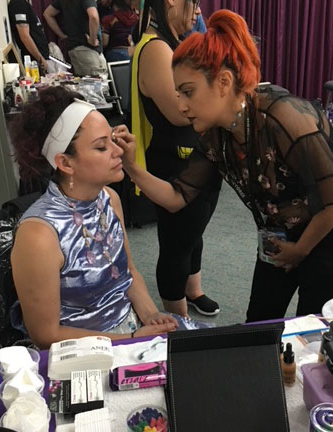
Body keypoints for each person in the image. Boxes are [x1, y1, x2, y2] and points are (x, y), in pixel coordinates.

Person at [121, 10, 333, 322]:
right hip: (282, 231)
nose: (181, 104)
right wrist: (133, 168)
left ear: (224, 82)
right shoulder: (215, 135)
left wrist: (301, 250)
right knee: (258, 324)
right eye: (178, 94)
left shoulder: (284, 117)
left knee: (312, 328)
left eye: (188, 92)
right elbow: (178, 196)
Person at [9, 86, 177, 349]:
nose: (118, 151)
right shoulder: (39, 235)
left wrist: (150, 316)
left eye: (113, 139)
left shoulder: (109, 199)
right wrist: (129, 341)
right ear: (65, 163)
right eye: (101, 147)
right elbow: (45, 334)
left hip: (131, 332)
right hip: (84, 353)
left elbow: (128, 273)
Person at [130, 0, 222, 317]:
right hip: (174, 161)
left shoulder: (172, 43)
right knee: (176, 243)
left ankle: (193, 290)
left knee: (193, 231)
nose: (198, 11)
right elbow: (181, 112)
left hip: (195, 154)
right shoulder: (156, 49)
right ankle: (179, 319)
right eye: (193, 2)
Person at [44, 0, 107, 77]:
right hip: (88, 50)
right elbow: (93, 16)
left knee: (85, 85)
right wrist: (92, 39)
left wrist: (62, 35)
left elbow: (47, 14)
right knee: (99, 84)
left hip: (75, 49)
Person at [8, 0, 50, 72]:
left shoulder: (24, 4)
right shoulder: (19, 4)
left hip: (38, 57)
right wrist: (40, 59)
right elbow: (25, 36)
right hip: (33, 60)